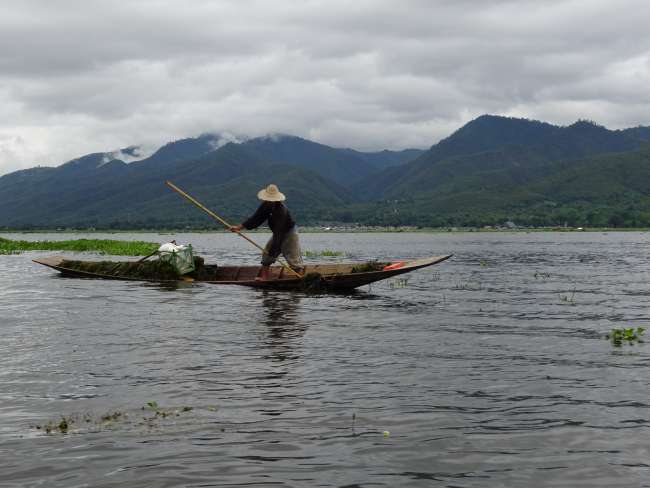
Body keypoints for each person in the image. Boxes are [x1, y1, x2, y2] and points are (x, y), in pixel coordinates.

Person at [230, 184, 304, 280]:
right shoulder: (265, 205)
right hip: (277, 234)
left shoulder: (281, 211)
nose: (269, 201)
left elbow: (279, 233)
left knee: (293, 258)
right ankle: (265, 278)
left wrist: (274, 251)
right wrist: (239, 227)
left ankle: (300, 278)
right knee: (266, 255)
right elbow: (256, 218)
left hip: (289, 232)